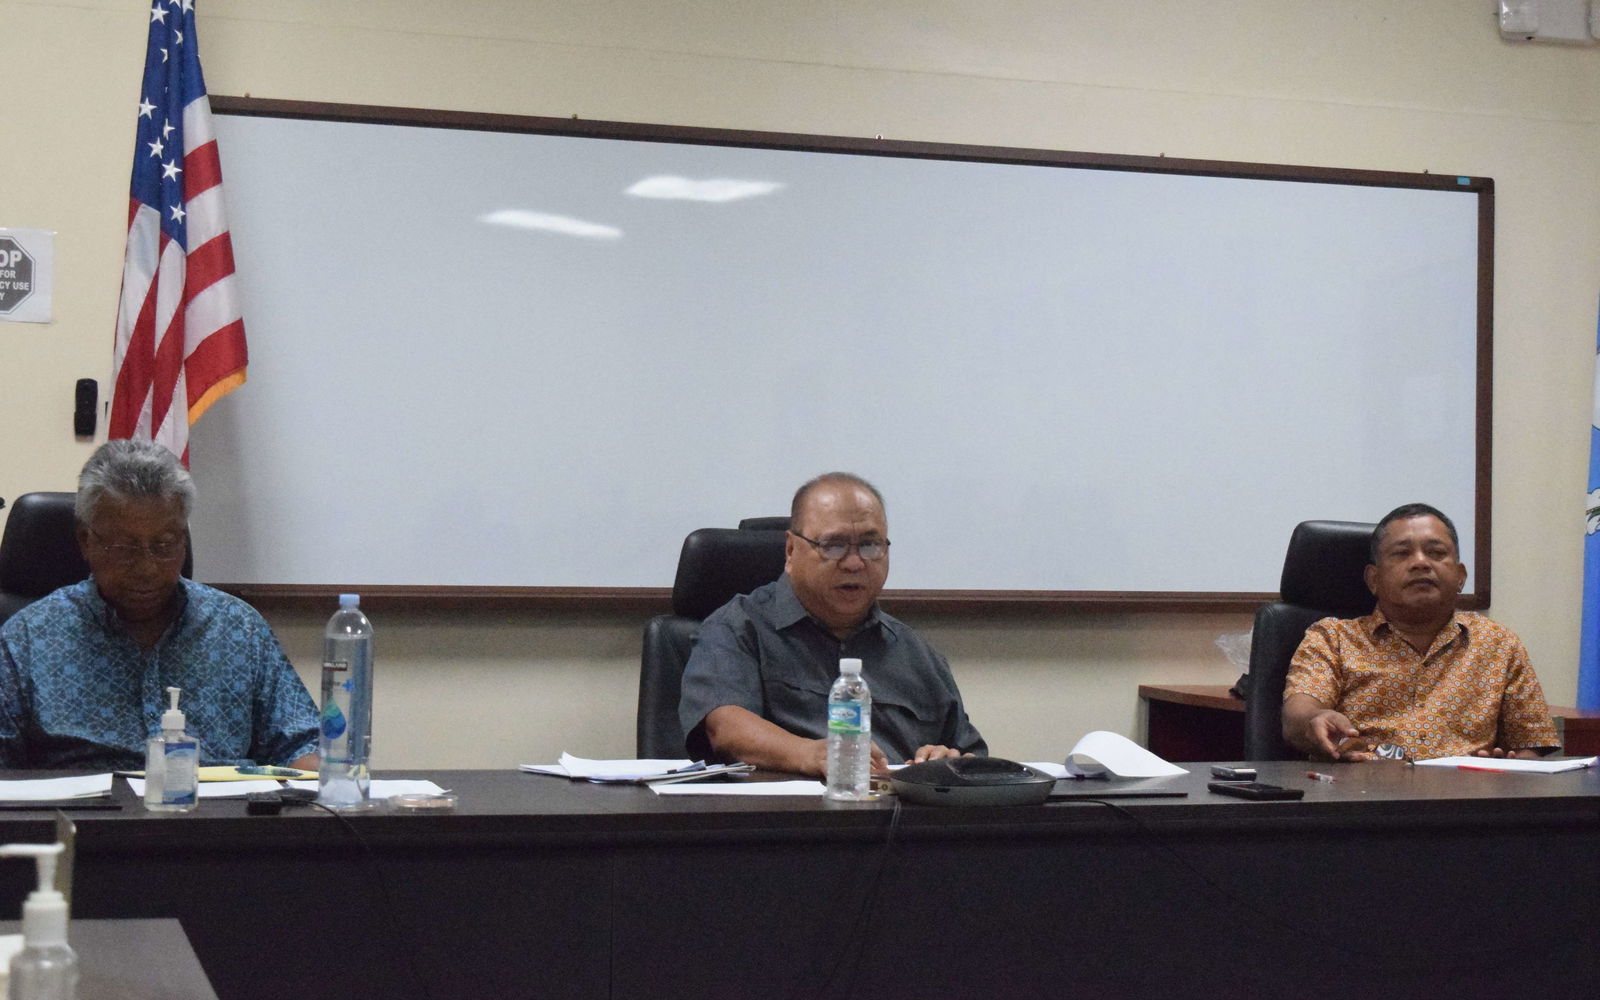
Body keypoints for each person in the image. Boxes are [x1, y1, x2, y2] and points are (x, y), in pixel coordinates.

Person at [0, 439, 319, 770]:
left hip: (213, 816)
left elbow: (301, 746)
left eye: (164, 545)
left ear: (184, 537)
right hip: (83, 818)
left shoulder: (239, 629)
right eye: (125, 548)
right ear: (86, 540)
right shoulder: (27, 639)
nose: (147, 569)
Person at [678, 472, 985, 776]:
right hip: (786, 818)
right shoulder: (739, 627)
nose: (854, 563)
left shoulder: (916, 653)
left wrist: (946, 761)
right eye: (834, 545)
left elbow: (971, 758)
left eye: (870, 545)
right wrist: (811, 754)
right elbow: (726, 727)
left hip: (900, 817)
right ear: (790, 550)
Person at [1281, 502, 1558, 762]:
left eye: (1436, 553)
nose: (1421, 563)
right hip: (1362, 797)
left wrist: (1508, 773)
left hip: (1466, 800)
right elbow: (1299, 715)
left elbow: (1531, 744)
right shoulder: (1333, 638)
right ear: (1373, 579)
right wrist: (1316, 720)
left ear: (1461, 577)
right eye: (1402, 553)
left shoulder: (1498, 643)